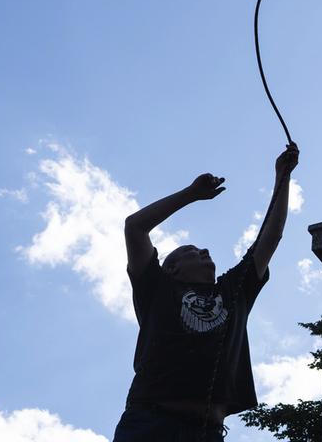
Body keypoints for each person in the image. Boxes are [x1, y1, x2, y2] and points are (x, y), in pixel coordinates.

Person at [113, 143, 300, 441]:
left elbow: (271, 237)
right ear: (170, 268)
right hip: (149, 424)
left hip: (207, 433)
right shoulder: (157, 288)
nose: (205, 250)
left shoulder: (234, 290)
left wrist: (282, 176)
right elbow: (135, 226)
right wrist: (191, 194)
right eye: (192, 250)